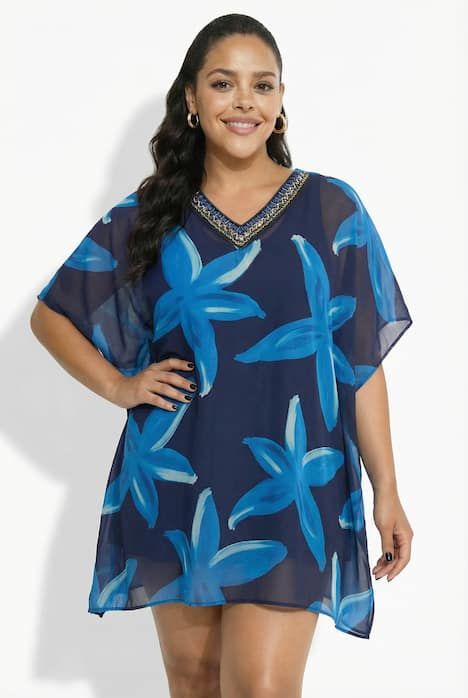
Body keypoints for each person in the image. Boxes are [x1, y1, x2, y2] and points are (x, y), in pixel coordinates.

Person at [30, 12, 415, 698]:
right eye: (222, 83)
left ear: (280, 101)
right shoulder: (151, 214)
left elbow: (360, 362)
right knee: (196, 684)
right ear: (191, 98)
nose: (244, 101)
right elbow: (52, 316)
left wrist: (386, 487)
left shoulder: (331, 210)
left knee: (260, 686)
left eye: (262, 85)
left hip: (293, 483)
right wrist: (121, 387)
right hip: (177, 479)